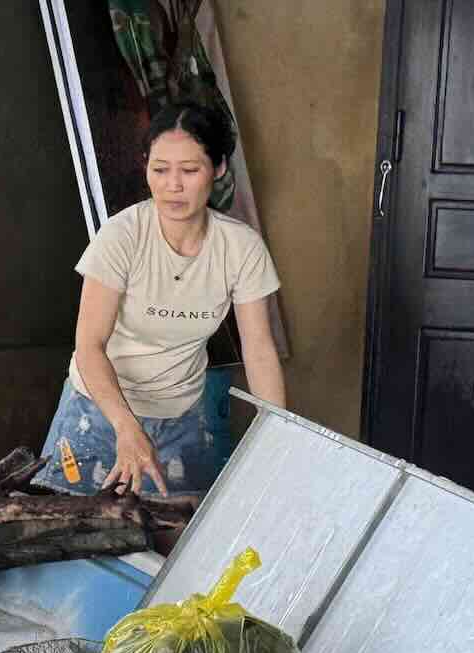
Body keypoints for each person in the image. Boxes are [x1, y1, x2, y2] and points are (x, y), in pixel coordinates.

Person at [34, 101, 286, 496]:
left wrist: (277, 432)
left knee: (173, 544)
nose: (173, 185)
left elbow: (258, 349)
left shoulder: (241, 248)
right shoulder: (122, 236)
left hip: (180, 420)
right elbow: (89, 345)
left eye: (189, 170)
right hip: (99, 413)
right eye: (160, 169)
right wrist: (125, 426)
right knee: (70, 532)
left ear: (218, 169)